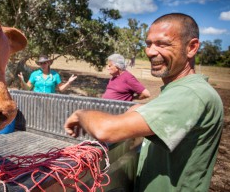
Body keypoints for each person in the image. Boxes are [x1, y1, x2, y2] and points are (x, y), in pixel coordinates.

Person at [64, 13, 224, 191]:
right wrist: (139, 108)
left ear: (192, 47)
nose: (150, 52)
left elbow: (105, 130)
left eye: (162, 44)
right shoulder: (183, 91)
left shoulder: (191, 94)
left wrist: (81, 113)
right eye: (148, 44)